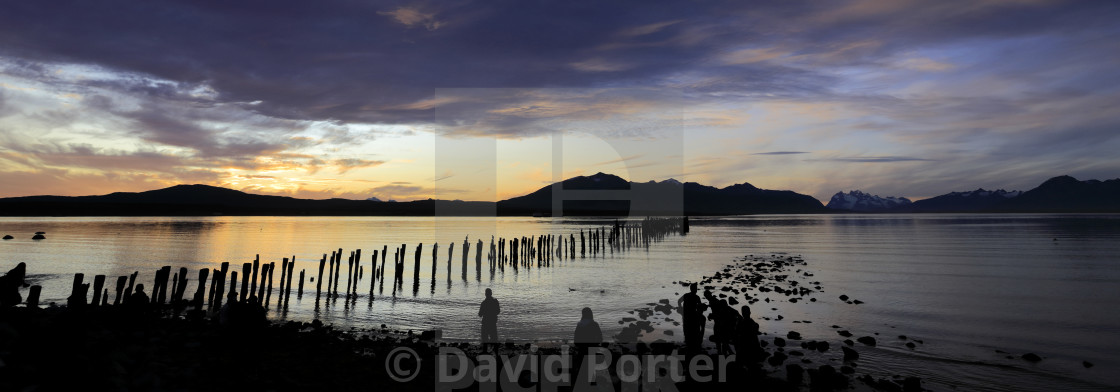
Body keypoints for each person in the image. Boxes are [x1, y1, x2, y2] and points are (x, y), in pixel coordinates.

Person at [678, 283, 708, 353]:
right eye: (695, 288)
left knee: (687, 330)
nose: (696, 290)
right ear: (693, 289)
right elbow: (700, 307)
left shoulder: (686, 295)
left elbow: (679, 301)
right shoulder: (696, 297)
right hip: (692, 316)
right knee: (693, 331)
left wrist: (681, 308)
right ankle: (694, 346)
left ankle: (689, 345)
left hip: (687, 316)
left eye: (696, 288)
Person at [478, 288, 501, 353]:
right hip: (492, 322)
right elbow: (498, 311)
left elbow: (480, 314)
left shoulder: (483, 303)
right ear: (491, 293)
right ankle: (496, 352)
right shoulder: (495, 301)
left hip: (485, 322)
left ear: (485, 294)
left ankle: (485, 352)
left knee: (485, 339)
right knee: (494, 338)